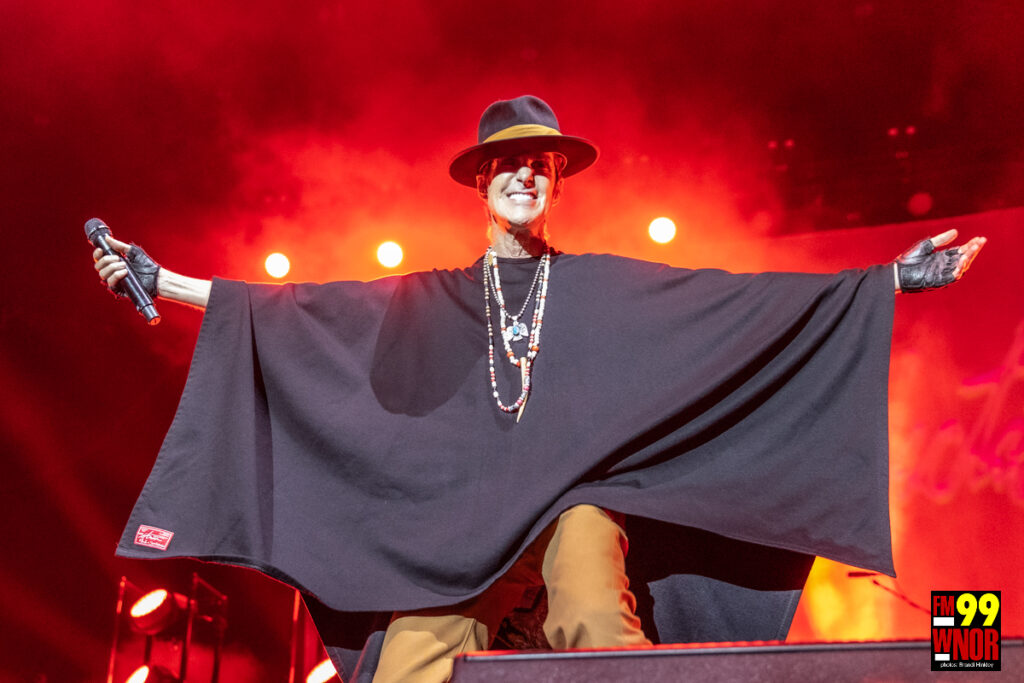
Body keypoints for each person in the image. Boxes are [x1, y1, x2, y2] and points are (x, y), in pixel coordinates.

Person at [94, 96, 984, 682]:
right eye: (509, 162)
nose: (526, 174)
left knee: (593, 614)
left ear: (556, 182)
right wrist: (166, 280)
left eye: (542, 163)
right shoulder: (433, 297)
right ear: (483, 182)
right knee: (408, 661)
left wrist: (885, 281)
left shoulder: (599, 287)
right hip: (461, 523)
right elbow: (301, 313)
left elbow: (739, 306)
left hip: (574, 501)